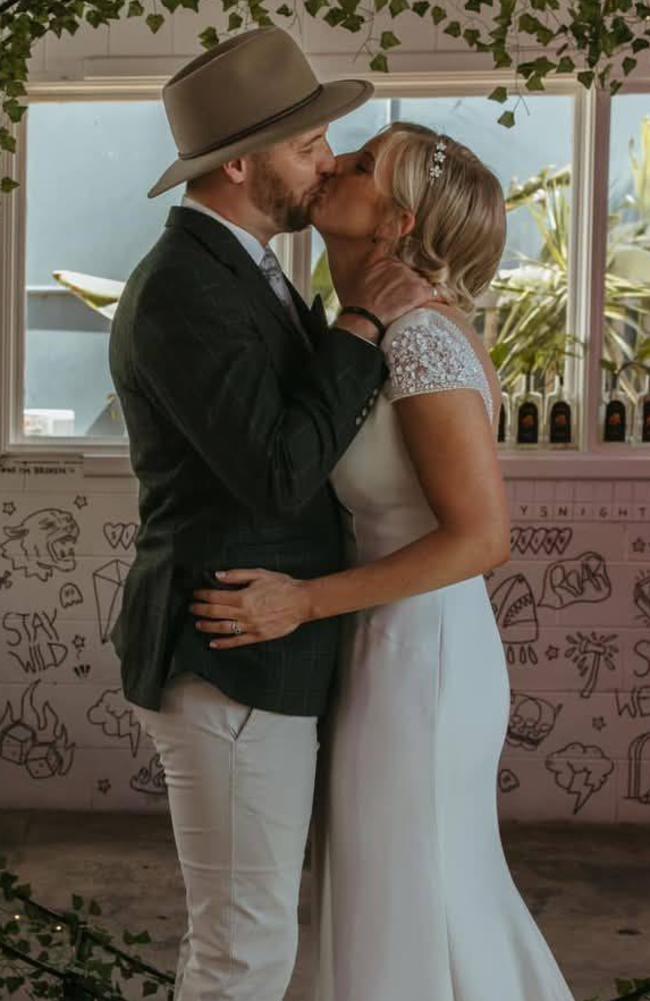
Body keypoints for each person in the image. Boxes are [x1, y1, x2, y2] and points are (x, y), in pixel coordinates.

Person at [190, 123, 577, 1001]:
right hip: (386, 644)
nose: (331, 163)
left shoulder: (421, 340)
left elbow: (483, 538)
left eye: (360, 166)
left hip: (425, 661)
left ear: (397, 223)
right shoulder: (366, 329)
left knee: (417, 894)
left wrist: (303, 602)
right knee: (390, 895)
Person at [109, 28, 432, 1001]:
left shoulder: (245, 265)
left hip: (258, 658)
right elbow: (280, 470)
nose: (327, 159)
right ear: (241, 162)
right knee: (246, 951)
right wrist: (364, 320)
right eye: (306, 146)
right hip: (229, 656)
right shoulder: (183, 289)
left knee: (233, 940)